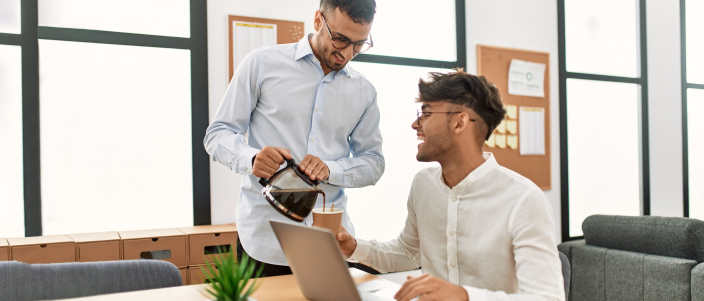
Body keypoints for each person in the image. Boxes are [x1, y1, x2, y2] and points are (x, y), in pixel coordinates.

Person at [336, 70, 565, 301]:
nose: (415, 124)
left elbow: (548, 298)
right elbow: (408, 253)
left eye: (425, 114)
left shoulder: (524, 200)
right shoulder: (423, 185)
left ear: (459, 122)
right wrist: (354, 248)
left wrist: (465, 296)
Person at [204, 0, 383, 277]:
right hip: (264, 240)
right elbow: (218, 134)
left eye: (359, 44)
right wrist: (251, 158)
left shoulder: (364, 92)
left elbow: (373, 163)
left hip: (331, 243)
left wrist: (331, 169)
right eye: (340, 39)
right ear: (317, 21)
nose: (347, 54)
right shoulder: (262, 63)